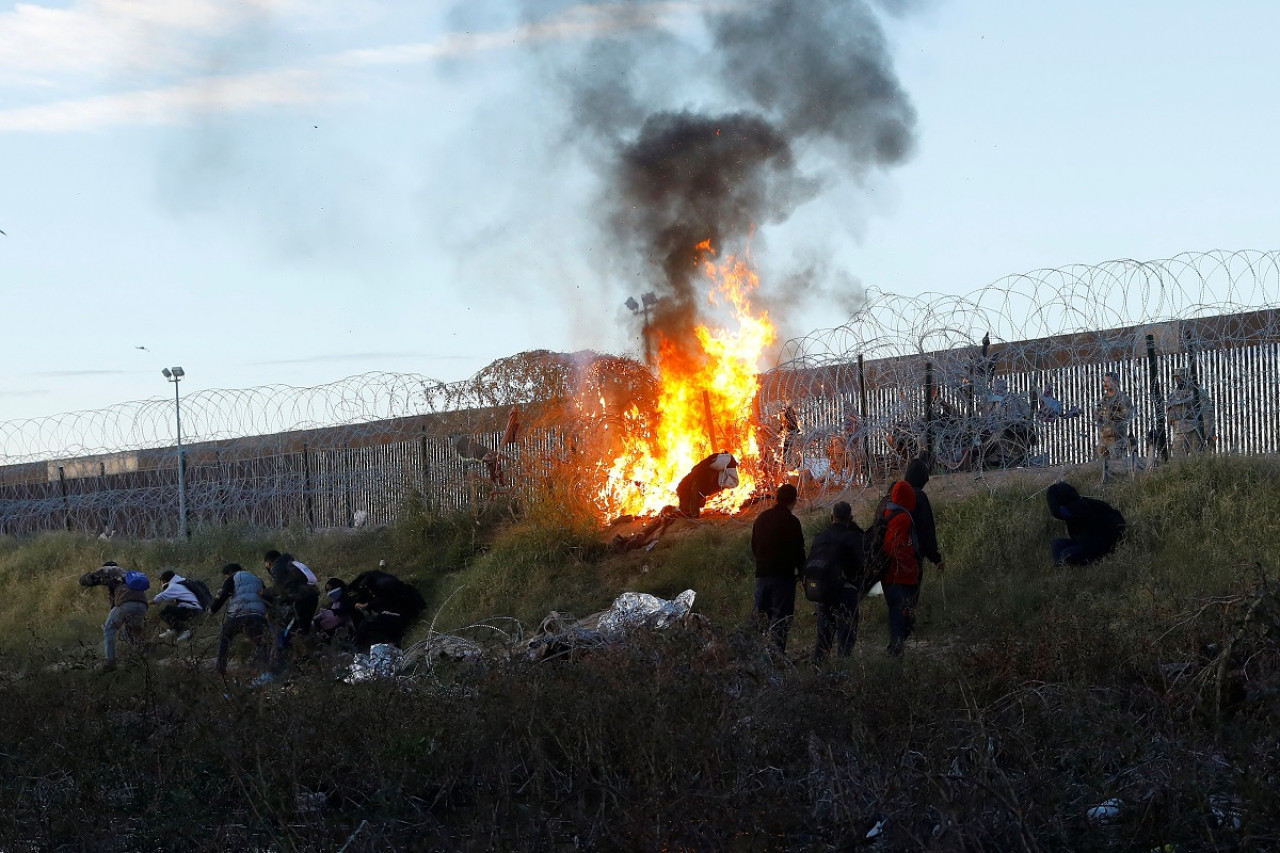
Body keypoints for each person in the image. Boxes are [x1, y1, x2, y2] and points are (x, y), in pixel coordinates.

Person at [750, 483, 806, 655]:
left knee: (760, 618)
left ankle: (755, 655)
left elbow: (754, 545)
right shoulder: (792, 522)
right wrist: (803, 575)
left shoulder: (762, 518)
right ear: (794, 501)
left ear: (776, 498)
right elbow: (799, 551)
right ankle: (777, 656)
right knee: (780, 620)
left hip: (762, 575)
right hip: (782, 578)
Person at [809, 501, 865, 664]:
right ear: (851, 518)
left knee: (823, 638)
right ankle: (843, 671)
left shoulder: (820, 536)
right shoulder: (852, 537)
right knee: (846, 638)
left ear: (831, 517)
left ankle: (817, 673)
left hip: (822, 592)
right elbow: (860, 564)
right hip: (845, 592)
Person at [79, 561, 148, 671]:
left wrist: (83, 579)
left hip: (126, 603)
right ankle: (140, 659)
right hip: (142, 605)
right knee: (131, 632)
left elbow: (89, 579)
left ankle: (110, 662)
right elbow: (114, 606)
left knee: (108, 630)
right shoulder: (128, 577)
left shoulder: (112, 570)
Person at [880, 481, 921, 657]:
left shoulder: (888, 512)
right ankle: (896, 650)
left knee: (898, 614)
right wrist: (910, 564)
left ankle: (896, 648)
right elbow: (894, 546)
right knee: (902, 615)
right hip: (900, 576)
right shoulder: (902, 517)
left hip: (892, 576)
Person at [209, 562, 272, 678]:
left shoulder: (233, 578)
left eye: (225, 577)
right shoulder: (257, 580)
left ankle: (220, 669)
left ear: (228, 573)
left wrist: (212, 610)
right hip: (257, 617)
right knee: (262, 643)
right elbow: (268, 597)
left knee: (225, 638)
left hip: (238, 615)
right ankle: (263, 671)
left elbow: (223, 595)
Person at [347, 563, 427, 651]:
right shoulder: (382, 580)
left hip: (401, 616)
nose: (370, 592)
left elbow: (384, 600)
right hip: (401, 611)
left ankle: (357, 648)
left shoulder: (386, 587)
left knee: (366, 624)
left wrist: (366, 605)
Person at [1046, 482, 1126, 566]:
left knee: (1066, 555)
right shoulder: (1081, 503)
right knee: (1057, 543)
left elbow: (1057, 512)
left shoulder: (1075, 509)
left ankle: (1064, 565)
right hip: (1086, 542)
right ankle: (1061, 566)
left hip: (1099, 545)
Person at [903, 458, 946, 583]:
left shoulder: (894, 495)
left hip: (892, 556)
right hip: (913, 556)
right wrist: (935, 558)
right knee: (910, 597)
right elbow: (926, 530)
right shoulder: (919, 497)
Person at [263, 550, 320, 638]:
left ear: (269, 563)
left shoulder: (277, 567)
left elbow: (279, 589)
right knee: (304, 629)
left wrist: (264, 592)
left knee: (294, 631)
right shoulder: (292, 563)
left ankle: (304, 647)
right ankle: (310, 645)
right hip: (312, 596)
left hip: (302, 599)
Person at [1093, 372, 1133, 483]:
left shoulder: (1123, 399)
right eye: (1104, 381)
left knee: (1119, 466)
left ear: (1115, 382)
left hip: (1117, 438)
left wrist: (1111, 415)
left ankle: (1121, 487)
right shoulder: (1103, 400)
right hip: (1104, 437)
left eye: (1108, 381)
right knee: (1103, 465)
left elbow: (1127, 414)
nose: (1105, 384)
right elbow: (1097, 415)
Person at [1166, 369, 1214, 457]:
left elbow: (1207, 412)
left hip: (1194, 429)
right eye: (1175, 377)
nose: (1177, 380)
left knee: (1196, 457)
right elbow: (1170, 412)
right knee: (1178, 457)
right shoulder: (1174, 394)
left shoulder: (1197, 392)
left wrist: (1207, 432)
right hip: (1179, 431)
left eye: (1179, 377)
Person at [675, 452, 739, 518]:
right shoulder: (696, 486)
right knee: (732, 482)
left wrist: (694, 514)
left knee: (733, 482)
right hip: (718, 462)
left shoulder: (694, 487)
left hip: (720, 461)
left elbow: (695, 494)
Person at [151, 570, 203, 641]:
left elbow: (157, 599)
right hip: (195, 609)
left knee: (166, 611)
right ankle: (174, 629)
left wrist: (144, 602)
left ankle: (183, 630)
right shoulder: (180, 584)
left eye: (161, 581)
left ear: (164, 580)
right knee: (170, 610)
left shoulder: (173, 586)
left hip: (191, 610)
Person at [312, 577, 358, 641]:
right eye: (327, 590)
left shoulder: (347, 599)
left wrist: (332, 612)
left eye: (332, 589)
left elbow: (344, 612)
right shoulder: (335, 602)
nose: (330, 592)